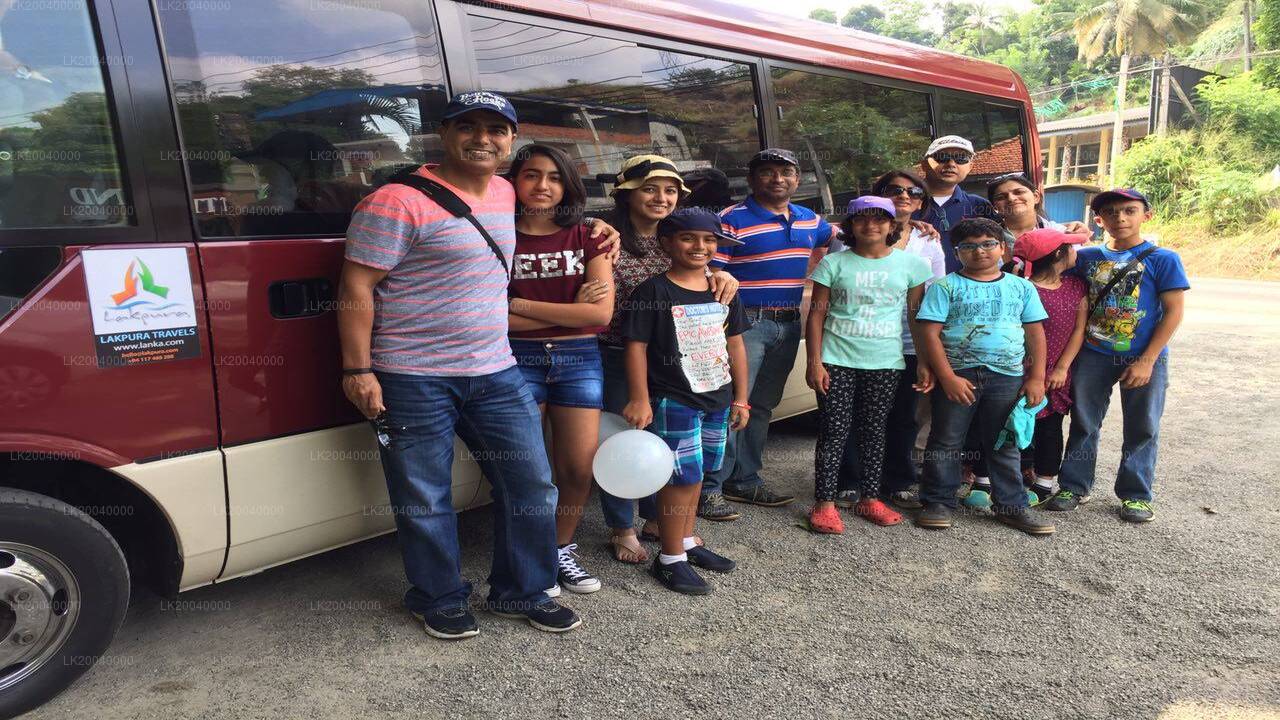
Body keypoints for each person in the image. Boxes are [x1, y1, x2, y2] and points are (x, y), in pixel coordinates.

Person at [338, 91, 616, 639]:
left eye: (496, 129)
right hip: (412, 375)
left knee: (531, 485)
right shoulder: (395, 202)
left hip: (496, 369)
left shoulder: (507, 192)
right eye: (468, 127)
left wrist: (605, 228)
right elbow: (356, 286)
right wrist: (357, 370)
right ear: (444, 133)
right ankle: (438, 597)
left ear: (510, 140)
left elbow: (557, 214)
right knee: (424, 495)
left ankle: (524, 591)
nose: (482, 139)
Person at [596, 155, 739, 563]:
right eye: (650, 189)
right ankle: (622, 527)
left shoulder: (681, 235)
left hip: (674, 362)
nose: (661, 198)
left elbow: (700, 272)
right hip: (619, 355)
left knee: (668, 447)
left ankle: (659, 521)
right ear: (627, 193)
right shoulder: (605, 236)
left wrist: (722, 274)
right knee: (624, 442)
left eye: (671, 191)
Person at [621, 207, 750, 594]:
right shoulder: (653, 291)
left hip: (718, 397)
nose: (700, 246)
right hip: (674, 399)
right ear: (666, 243)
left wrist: (742, 398)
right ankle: (670, 558)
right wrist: (639, 398)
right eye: (688, 238)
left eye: (709, 240)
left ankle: (688, 540)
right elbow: (636, 347)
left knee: (700, 473)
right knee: (680, 477)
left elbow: (735, 344)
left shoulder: (723, 290)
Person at [505, 144, 614, 594]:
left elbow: (600, 315)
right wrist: (571, 310)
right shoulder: (496, 233)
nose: (542, 186)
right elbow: (490, 318)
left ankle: (560, 548)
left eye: (554, 177)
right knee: (527, 471)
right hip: (514, 358)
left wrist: (519, 304)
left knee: (577, 469)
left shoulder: (590, 236)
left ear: (568, 185)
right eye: (531, 175)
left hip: (578, 358)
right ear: (514, 180)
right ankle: (531, 558)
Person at [704, 148, 835, 520]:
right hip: (743, 326)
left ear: (797, 178)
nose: (778, 179)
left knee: (762, 405)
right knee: (732, 404)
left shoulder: (811, 220)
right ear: (751, 179)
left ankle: (744, 479)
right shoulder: (730, 220)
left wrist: (912, 224)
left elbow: (854, 235)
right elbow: (709, 271)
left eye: (786, 172)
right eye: (767, 172)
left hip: (788, 323)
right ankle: (709, 488)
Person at [1046, 189, 1189, 523]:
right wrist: (1066, 232)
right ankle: (1074, 486)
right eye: (1110, 212)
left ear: (1146, 215)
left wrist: (1148, 359)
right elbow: (1047, 257)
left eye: (1129, 210)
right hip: (1093, 353)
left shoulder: (1163, 259)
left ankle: (1136, 495)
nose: (1120, 218)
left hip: (1142, 354)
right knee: (1084, 421)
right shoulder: (1085, 257)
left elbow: (1173, 312)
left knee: (1142, 425)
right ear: (1099, 220)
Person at [914, 217, 1055, 535]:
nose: (979, 251)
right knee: (946, 439)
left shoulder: (1021, 287)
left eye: (988, 244)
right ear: (957, 252)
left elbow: (1035, 333)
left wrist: (1036, 378)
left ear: (1003, 248)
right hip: (958, 375)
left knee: (1004, 442)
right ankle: (937, 502)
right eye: (969, 246)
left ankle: (1011, 506)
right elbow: (929, 333)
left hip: (1007, 377)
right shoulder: (945, 287)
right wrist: (946, 377)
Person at [805, 196, 933, 533]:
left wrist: (923, 361)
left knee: (875, 430)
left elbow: (916, 318)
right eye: (861, 218)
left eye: (879, 219)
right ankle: (824, 503)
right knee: (833, 431)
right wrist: (814, 362)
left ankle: (870, 498)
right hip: (836, 359)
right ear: (850, 225)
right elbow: (816, 316)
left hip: (886, 361)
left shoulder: (912, 266)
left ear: (892, 225)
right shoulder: (834, 263)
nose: (870, 225)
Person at [831, 170, 946, 511]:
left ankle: (897, 480)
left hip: (908, 343)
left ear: (922, 202)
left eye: (914, 192)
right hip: (854, 342)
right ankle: (850, 481)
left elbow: (935, 295)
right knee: (852, 414)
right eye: (895, 190)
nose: (904, 196)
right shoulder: (847, 239)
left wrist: (929, 351)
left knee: (903, 415)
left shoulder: (928, 241)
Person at [1011, 227, 1089, 506]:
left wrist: (1062, 368)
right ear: (1058, 254)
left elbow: (1079, 329)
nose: (1075, 252)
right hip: (1021, 370)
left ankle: (1044, 482)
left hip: (1057, 372)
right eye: (1070, 247)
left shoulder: (1076, 286)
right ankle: (1010, 476)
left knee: (1051, 427)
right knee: (1015, 423)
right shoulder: (1021, 288)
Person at [915, 135, 1000, 273]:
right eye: (942, 158)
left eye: (961, 159)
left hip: (968, 284)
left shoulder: (979, 205)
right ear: (925, 165)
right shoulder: (903, 203)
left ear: (970, 167)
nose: (951, 164)